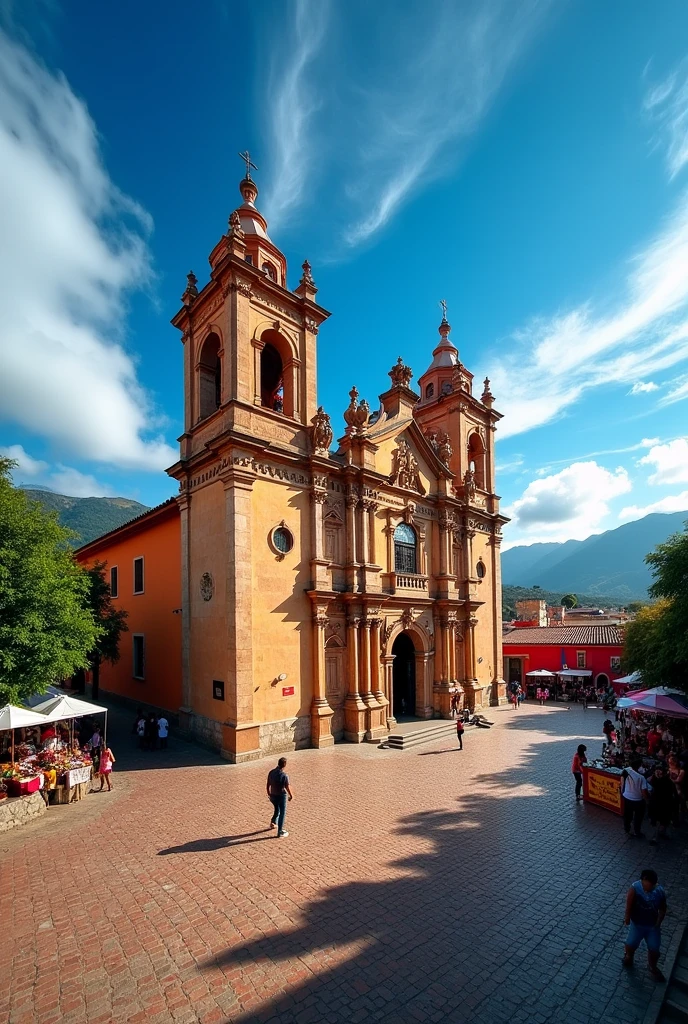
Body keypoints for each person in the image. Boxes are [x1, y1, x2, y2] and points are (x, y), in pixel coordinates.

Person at [622, 868, 667, 981]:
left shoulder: (660, 891)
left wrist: (658, 923)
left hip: (652, 926)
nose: (648, 889)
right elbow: (629, 903)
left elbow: (662, 909)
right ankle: (629, 956)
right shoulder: (635, 888)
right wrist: (627, 918)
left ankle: (652, 966)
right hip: (637, 924)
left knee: (654, 949)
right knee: (631, 943)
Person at [622, 758, 651, 837]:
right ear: (639, 766)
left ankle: (627, 828)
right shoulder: (641, 777)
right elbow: (644, 792)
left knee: (628, 815)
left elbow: (622, 781)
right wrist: (648, 800)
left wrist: (622, 792)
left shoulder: (626, 770)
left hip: (627, 797)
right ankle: (637, 831)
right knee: (638, 817)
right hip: (638, 799)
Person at [266, 756, 293, 838]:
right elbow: (287, 787)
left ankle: (273, 822)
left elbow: (268, 784)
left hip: (273, 795)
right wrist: (291, 795)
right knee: (282, 813)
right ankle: (280, 831)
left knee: (276, 808)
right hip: (281, 796)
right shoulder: (284, 776)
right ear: (284, 765)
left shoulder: (271, 772)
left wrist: (269, 793)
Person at [648, 764, 674, 845]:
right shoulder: (663, 781)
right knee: (661, 821)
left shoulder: (655, 780)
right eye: (657, 771)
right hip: (661, 804)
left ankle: (657, 836)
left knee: (660, 821)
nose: (658, 773)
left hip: (660, 803)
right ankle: (658, 835)